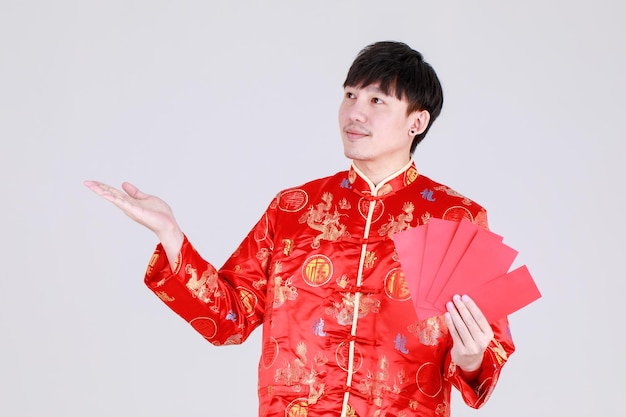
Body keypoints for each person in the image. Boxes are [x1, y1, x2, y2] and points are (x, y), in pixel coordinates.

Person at [85, 41, 515, 417]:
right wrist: (172, 235)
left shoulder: (457, 218)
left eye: (377, 101)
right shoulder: (294, 208)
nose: (355, 112)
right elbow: (229, 317)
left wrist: (471, 357)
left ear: (416, 122)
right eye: (350, 95)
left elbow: (488, 354)